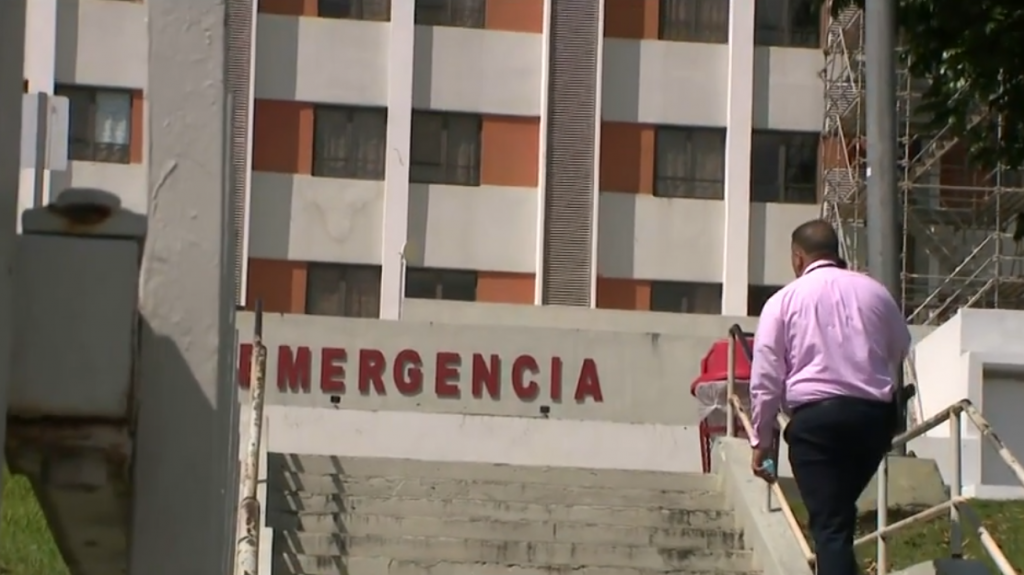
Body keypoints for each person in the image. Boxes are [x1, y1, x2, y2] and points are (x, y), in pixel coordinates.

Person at [748, 219, 911, 575]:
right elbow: (901, 347)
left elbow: (765, 377)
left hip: (816, 425)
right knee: (838, 511)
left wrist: (761, 440)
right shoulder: (875, 293)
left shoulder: (783, 301)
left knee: (830, 526)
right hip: (872, 420)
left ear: (797, 257)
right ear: (835, 252)